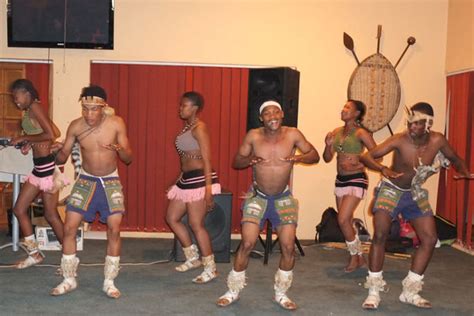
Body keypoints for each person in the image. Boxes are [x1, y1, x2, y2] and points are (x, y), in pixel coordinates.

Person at [360, 102, 474, 309]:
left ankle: (410, 291)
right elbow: (367, 156)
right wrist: (383, 168)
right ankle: (374, 291)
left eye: (417, 123)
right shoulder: (399, 140)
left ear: (428, 124)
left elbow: (455, 158)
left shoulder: (438, 140)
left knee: (430, 239)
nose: (411, 127)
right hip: (391, 189)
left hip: (415, 192)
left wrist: (465, 171)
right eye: (410, 122)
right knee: (379, 235)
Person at [216, 100, 319, 310]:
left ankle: (281, 293)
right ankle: (233, 290)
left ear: (281, 114)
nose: (272, 115)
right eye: (267, 113)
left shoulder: (293, 134)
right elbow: (236, 161)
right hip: (258, 197)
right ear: (261, 118)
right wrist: (250, 159)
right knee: (247, 243)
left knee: (288, 247)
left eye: (275, 112)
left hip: (283, 198)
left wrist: (298, 158)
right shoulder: (253, 135)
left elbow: (314, 155)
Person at [50, 85, 132, 298]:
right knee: (69, 227)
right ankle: (69, 279)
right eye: (85, 108)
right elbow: (63, 157)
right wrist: (57, 152)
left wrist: (118, 148)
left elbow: (129, 158)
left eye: (94, 109)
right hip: (85, 180)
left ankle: (109, 281)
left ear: (104, 107)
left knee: (114, 229)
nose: (89, 114)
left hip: (110, 181)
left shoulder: (116, 124)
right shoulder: (76, 127)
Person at [166, 91, 221, 284]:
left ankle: (211, 268)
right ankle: (192, 257)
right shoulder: (186, 128)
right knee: (172, 218)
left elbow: (206, 159)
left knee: (196, 224)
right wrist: (177, 180)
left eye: (184, 105)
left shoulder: (200, 127)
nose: (180, 108)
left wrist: (208, 190)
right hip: (186, 179)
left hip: (199, 180)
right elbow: (185, 159)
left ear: (195, 108)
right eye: (180, 105)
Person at [9, 79, 65, 269]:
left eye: (17, 97)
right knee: (19, 209)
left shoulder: (35, 107)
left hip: (47, 168)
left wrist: (25, 137)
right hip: (39, 167)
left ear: (27, 93)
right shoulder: (31, 110)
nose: (16, 102)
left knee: (50, 214)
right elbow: (54, 131)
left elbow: (51, 134)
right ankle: (35, 254)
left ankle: (69, 254)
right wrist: (29, 143)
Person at [323, 100, 377, 272]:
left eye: (348, 108)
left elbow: (377, 157)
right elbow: (327, 158)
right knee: (345, 222)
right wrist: (328, 145)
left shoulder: (362, 133)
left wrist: (357, 166)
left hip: (357, 179)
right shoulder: (337, 132)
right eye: (343, 107)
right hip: (341, 180)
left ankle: (355, 257)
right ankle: (359, 257)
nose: (343, 110)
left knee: (343, 219)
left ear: (356, 114)